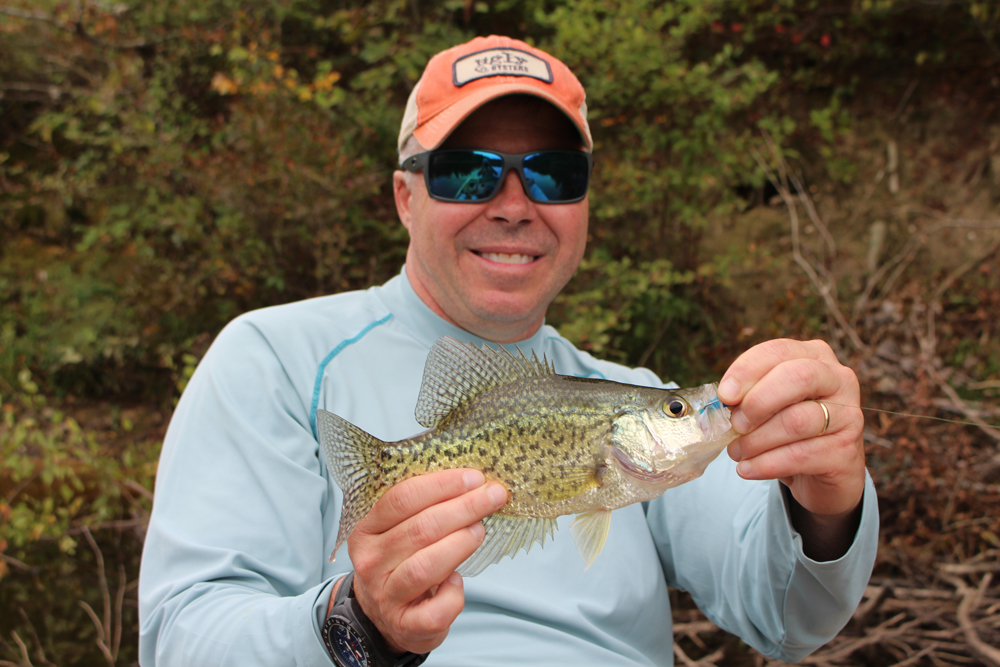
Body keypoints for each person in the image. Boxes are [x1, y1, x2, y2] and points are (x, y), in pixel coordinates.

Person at [138, 35, 878, 666]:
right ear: (405, 195)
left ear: (584, 204)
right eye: (469, 169)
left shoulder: (632, 395)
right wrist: (352, 624)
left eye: (554, 172)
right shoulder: (273, 359)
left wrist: (826, 496)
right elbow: (181, 637)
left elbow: (789, 615)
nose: (515, 204)